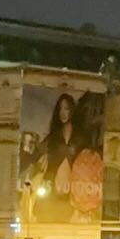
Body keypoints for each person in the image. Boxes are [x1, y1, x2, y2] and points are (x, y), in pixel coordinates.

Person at [24, 93, 80, 223]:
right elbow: (36, 154)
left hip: (72, 189)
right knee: (47, 218)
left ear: (72, 110)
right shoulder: (53, 137)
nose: (63, 113)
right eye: (60, 109)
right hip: (51, 186)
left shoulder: (79, 137)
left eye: (66, 108)